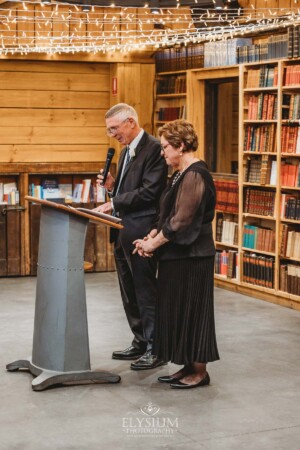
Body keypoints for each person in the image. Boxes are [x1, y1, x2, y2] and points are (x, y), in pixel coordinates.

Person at [134, 119, 219, 389]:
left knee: (193, 311)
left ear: (181, 146)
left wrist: (153, 245)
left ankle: (199, 371)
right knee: (178, 311)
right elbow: (167, 215)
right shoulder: (179, 174)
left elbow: (181, 221)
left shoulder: (196, 174)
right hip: (176, 256)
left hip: (193, 256)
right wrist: (150, 235)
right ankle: (186, 366)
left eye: (166, 147)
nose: (163, 152)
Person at [94, 103, 168, 370]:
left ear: (131, 122)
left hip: (142, 232)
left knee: (145, 290)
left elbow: (149, 193)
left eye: (114, 128)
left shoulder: (154, 149)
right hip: (122, 231)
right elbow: (128, 194)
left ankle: (156, 347)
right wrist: (113, 188)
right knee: (128, 291)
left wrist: (113, 204)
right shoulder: (126, 152)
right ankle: (139, 340)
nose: (112, 134)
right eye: (109, 130)